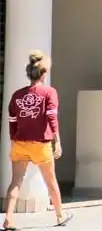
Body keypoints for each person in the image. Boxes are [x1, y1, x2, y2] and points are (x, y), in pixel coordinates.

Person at [4, 51, 72, 230]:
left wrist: (13, 139)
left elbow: (12, 120)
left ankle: (9, 218)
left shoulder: (17, 95)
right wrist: (57, 141)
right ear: (44, 74)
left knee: (16, 181)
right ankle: (59, 215)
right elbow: (51, 118)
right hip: (41, 144)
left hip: (20, 143)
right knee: (51, 181)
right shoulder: (49, 92)